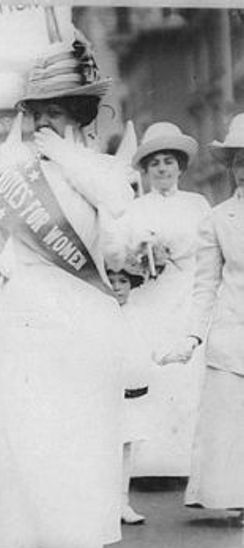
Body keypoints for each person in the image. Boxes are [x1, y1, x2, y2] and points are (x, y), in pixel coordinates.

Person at [0, 36, 134, 548]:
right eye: (38, 113)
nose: (43, 123)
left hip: (85, 311)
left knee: (86, 429)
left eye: (56, 112)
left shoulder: (96, 169)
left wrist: (68, 156)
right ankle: (44, 546)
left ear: (77, 116)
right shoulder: (13, 175)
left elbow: (119, 213)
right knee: (37, 429)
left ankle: (85, 541)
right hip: (31, 314)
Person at [159, 113, 244, 523]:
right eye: (239, 161)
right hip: (232, 334)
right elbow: (205, 285)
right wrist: (192, 336)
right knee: (229, 423)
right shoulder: (218, 218)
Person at [121, 122, 211, 479]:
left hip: (187, 294)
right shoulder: (136, 209)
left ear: (180, 166)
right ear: (146, 169)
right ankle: (149, 464)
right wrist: (142, 252)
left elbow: (208, 254)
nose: (162, 169)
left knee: (187, 377)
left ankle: (185, 463)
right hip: (151, 297)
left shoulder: (197, 204)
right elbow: (124, 256)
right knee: (154, 372)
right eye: (155, 163)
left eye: (168, 162)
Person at [108, 268, 152, 525]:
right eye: (111, 281)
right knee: (102, 447)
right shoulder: (97, 313)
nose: (117, 287)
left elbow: (146, 348)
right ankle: (99, 504)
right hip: (103, 393)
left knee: (125, 446)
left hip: (128, 393)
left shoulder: (138, 315)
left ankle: (121, 502)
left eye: (123, 281)